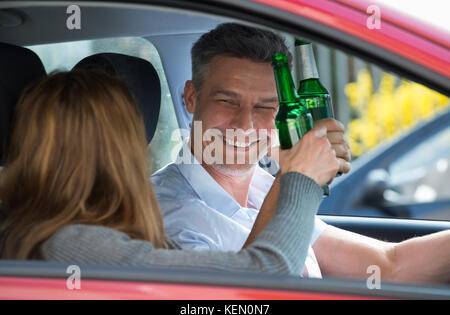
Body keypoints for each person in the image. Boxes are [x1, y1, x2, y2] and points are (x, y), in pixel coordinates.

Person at [151, 23, 450, 284]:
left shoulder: (262, 186)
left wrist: (292, 178)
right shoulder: (161, 214)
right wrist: (297, 177)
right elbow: (241, 301)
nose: (246, 124)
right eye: (227, 101)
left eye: (265, 107)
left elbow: (389, 266)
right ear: (191, 98)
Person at [0, 70, 340, 275]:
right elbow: (261, 284)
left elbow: (228, 287)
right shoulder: (71, 245)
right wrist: (301, 178)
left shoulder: (95, 233)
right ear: (121, 152)